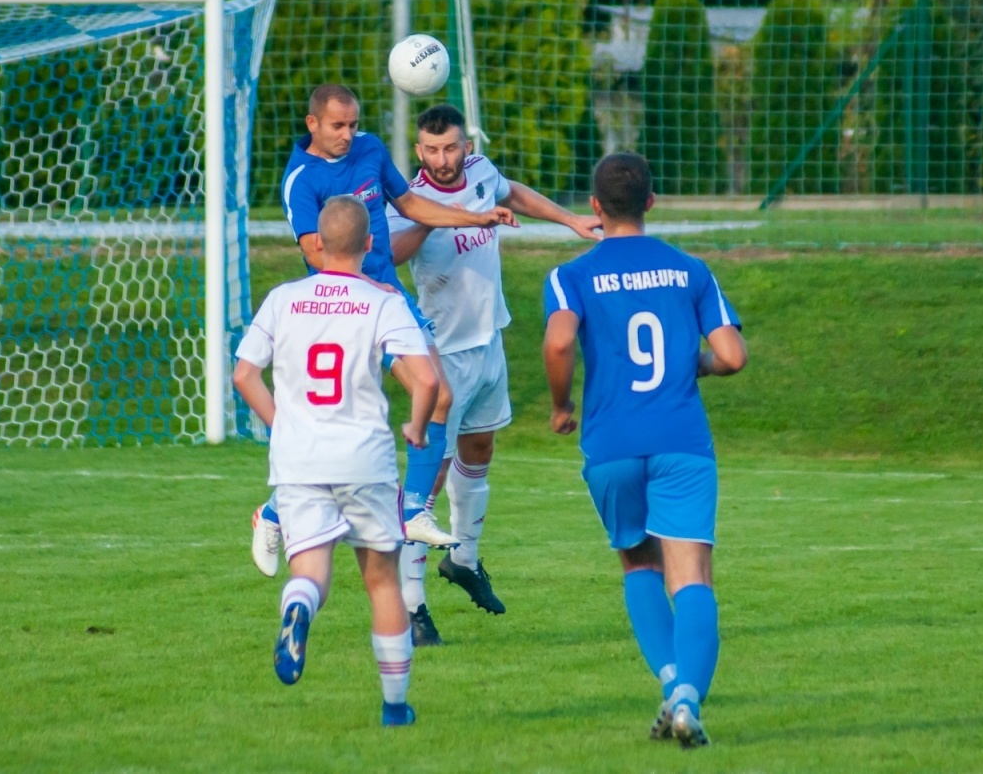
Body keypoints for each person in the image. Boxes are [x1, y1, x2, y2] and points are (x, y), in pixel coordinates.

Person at [251, 84, 517, 576]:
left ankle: (412, 509)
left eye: (353, 124)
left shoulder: (370, 149)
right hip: (341, 307)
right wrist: (365, 285)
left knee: (437, 394)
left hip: (389, 301)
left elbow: (411, 203)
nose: (348, 134)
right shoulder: (300, 179)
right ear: (313, 123)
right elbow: (314, 252)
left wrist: (474, 217)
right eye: (338, 126)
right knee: (339, 430)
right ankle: (273, 512)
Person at [541, 153, 748, 749]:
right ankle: (687, 700)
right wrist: (694, 364)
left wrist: (561, 405)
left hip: (611, 444)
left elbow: (559, 342)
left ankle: (671, 682)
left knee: (637, 563)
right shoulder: (690, 270)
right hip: (681, 440)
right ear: (651, 203)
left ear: (595, 207)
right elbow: (732, 356)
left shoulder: (570, 276)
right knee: (693, 577)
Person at [387, 104, 600, 645]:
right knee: (429, 479)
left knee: (479, 449)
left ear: (466, 145)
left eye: (450, 148)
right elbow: (391, 253)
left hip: (489, 342)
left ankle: (463, 559)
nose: (442, 159)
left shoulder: (481, 172)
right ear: (419, 151)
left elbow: (513, 192)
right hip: (441, 353)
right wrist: (430, 215)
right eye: (431, 150)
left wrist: (571, 220)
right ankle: (411, 607)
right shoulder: (408, 199)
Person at [232, 195, 440, 726]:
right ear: (369, 243)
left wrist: (283, 426)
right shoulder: (382, 302)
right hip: (364, 459)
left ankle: (298, 607)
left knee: (310, 570)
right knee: (382, 581)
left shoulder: (283, 298)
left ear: (319, 245)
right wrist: (417, 426)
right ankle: (395, 707)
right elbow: (427, 380)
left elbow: (244, 375)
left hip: (299, 461)